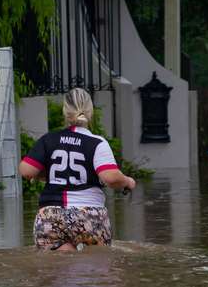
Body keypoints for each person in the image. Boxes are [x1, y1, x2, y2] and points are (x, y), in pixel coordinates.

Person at [19, 88, 136, 251]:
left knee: (61, 266)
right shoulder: (97, 143)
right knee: (98, 266)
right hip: (89, 216)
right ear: (90, 112)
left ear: (65, 112)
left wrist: (49, 175)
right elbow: (110, 178)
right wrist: (128, 181)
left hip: (51, 216)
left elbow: (26, 170)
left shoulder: (48, 139)